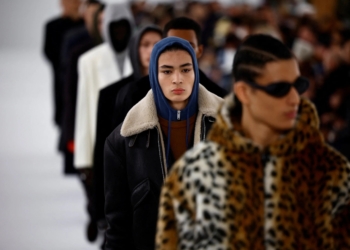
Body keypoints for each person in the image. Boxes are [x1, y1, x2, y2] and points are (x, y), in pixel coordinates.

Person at [156, 34, 350, 249]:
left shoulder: (332, 172)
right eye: (280, 89)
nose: (295, 98)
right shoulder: (192, 174)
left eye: (298, 86)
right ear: (244, 93)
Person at [104, 37, 223, 249]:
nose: (177, 79)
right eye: (167, 71)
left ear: (196, 72)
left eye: (186, 70)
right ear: (153, 74)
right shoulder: (123, 140)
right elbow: (117, 225)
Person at [92, 25, 162, 237]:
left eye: (157, 44)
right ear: (134, 48)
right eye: (145, 44)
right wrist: (99, 210)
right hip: (126, 189)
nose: (151, 50)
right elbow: (102, 153)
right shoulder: (111, 94)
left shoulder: (177, 96)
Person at [111, 16, 228, 129]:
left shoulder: (220, 99)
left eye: (188, 46)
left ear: (199, 50)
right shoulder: (133, 94)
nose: (179, 52)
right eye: (172, 44)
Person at [73, 2, 134, 172]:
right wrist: (84, 161)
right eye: (114, 27)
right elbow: (84, 111)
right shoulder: (89, 61)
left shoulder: (143, 58)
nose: (119, 31)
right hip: (103, 144)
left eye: (123, 26)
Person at [43, 0, 84, 129]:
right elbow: (49, 52)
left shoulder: (86, 25)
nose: (74, 4)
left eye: (77, 1)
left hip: (82, 77)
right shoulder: (53, 26)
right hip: (62, 79)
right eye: (71, 1)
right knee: (64, 113)